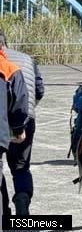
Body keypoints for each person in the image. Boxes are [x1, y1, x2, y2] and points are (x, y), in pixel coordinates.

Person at [0, 30, 44, 215]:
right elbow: (40, 90)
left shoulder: (6, 64)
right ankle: (22, 205)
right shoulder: (26, 59)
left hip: (4, 119)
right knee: (20, 167)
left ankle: (5, 214)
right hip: (25, 119)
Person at [0, 45, 29, 229]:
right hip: (8, 128)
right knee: (20, 168)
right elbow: (21, 102)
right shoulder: (9, 67)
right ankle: (21, 205)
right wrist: (18, 129)